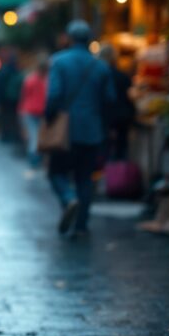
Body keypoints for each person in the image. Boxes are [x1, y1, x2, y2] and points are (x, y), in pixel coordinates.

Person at [46, 20, 115, 238]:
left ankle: (68, 198)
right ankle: (82, 225)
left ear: (69, 38)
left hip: (65, 131)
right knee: (85, 178)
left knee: (56, 172)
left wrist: (49, 119)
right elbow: (110, 99)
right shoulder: (101, 67)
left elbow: (54, 95)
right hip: (91, 131)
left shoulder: (59, 61)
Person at [99, 44, 135, 160]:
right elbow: (130, 96)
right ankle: (118, 173)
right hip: (123, 116)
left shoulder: (99, 75)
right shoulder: (123, 76)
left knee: (106, 148)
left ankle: (108, 171)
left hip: (106, 117)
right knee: (121, 147)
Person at [18, 56, 48, 168]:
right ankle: (36, 158)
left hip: (29, 110)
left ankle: (33, 158)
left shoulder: (30, 79)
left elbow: (24, 96)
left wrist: (20, 111)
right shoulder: (47, 80)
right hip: (40, 111)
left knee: (33, 135)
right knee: (38, 135)